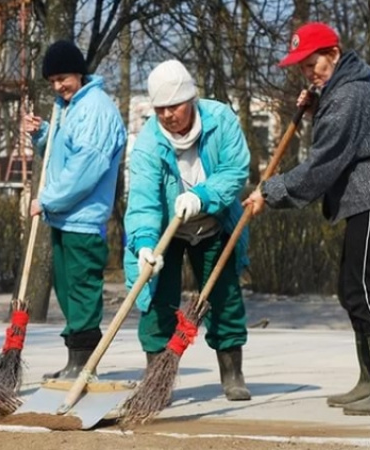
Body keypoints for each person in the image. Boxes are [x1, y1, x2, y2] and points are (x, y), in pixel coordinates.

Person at [243, 22, 370, 415]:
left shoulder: (350, 92)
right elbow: (358, 132)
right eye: (303, 68)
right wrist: (318, 102)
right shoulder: (354, 79)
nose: (309, 73)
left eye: (313, 63)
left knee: (364, 287)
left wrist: (269, 193)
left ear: (334, 53)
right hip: (369, 195)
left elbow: (323, 164)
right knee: (351, 287)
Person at [124, 59, 252, 401]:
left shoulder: (220, 120)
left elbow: (236, 169)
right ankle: (158, 381)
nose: (168, 115)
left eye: (174, 106)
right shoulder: (149, 142)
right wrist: (145, 245)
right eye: (160, 108)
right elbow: (143, 199)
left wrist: (202, 196)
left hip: (213, 221)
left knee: (223, 298)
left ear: (191, 100)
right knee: (156, 301)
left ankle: (232, 373)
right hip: (168, 228)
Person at [21, 40, 126, 379]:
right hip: (66, 218)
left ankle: (84, 365)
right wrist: (42, 135)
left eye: (62, 78)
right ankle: (75, 362)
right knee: (67, 291)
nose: (57, 86)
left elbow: (84, 170)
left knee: (81, 291)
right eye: (51, 81)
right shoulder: (70, 107)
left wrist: (47, 200)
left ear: (79, 73)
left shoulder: (95, 109)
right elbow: (63, 152)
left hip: (83, 218)